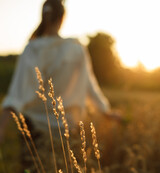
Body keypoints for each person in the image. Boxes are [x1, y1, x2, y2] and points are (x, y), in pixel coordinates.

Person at [0, 0, 121, 145]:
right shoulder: (76, 49)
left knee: (32, 167)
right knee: (64, 167)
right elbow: (90, 85)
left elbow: (17, 92)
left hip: (33, 128)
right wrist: (106, 112)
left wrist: (2, 126)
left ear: (43, 17)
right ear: (62, 18)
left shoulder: (32, 49)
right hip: (67, 127)